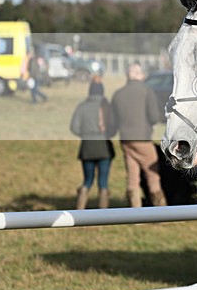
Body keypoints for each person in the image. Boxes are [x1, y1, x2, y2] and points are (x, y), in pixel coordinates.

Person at [111, 63, 166, 208]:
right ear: (140, 75)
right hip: (143, 139)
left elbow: (113, 121)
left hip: (126, 140)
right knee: (153, 174)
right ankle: (161, 211)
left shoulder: (118, 94)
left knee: (132, 177)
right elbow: (154, 117)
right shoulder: (147, 91)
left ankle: (135, 212)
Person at [70, 77, 116, 209]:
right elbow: (113, 127)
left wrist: (85, 134)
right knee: (103, 183)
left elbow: (74, 127)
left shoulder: (82, 106)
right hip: (104, 148)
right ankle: (103, 214)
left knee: (87, 181)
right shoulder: (107, 107)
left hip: (87, 148)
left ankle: (80, 210)